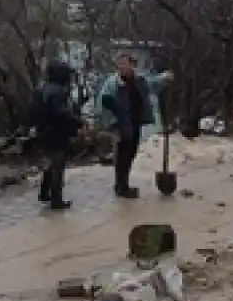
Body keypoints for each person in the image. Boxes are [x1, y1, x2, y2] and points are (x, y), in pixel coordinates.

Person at [99, 53, 173, 198]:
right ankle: (122, 187)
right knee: (123, 155)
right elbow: (104, 101)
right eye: (119, 64)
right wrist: (113, 121)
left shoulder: (139, 80)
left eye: (124, 63)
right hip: (121, 123)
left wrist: (164, 78)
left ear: (132, 65)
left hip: (135, 121)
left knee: (130, 153)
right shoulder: (112, 83)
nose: (121, 67)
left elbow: (153, 84)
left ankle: (122, 184)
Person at [31, 58, 83, 210]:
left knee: (52, 162)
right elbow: (61, 113)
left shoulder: (41, 88)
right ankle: (56, 200)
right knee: (58, 164)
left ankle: (44, 193)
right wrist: (77, 122)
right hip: (56, 132)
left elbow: (33, 110)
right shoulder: (58, 91)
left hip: (43, 130)